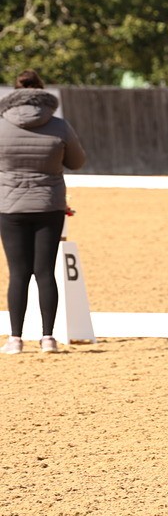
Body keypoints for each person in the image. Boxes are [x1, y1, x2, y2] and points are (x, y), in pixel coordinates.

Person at [0, 69, 86, 354]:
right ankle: (48, 338)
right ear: (43, 92)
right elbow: (77, 161)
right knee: (45, 272)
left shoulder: (1, 125)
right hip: (49, 204)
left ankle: (15, 339)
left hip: (10, 206)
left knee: (18, 273)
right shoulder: (59, 125)